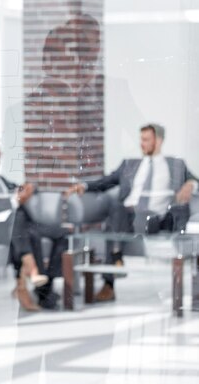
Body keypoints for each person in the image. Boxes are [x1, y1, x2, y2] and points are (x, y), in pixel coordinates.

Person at [65, 123, 198, 302]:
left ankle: (112, 270)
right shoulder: (130, 164)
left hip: (155, 218)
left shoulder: (175, 164)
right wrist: (85, 186)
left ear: (158, 141)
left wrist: (190, 184)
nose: (141, 144)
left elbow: (194, 179)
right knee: (116, 207)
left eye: (146, 140)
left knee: (115, 225)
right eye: (141, 139)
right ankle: (116, 259)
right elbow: (108, 181)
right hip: (126, 216)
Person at [0, 135, 68, 311]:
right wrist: (15, 201)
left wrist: (26, 189)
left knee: (62, 233)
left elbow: (15, 188)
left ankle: (46, 284)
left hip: (18, 224)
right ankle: (40, 286)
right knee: (23, 225)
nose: (1, 152)